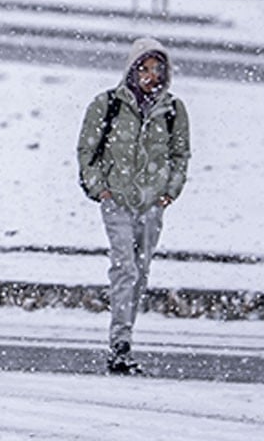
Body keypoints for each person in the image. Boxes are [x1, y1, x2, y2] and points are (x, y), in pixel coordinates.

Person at [76, 37, 191, 375]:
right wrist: (101, 190)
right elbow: (87, 150)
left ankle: (125, 339)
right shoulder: (107, 105)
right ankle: (119, 344)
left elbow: (180, 154)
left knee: (140, 272)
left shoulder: (172, 111)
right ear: (132, 68)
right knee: (125, 267)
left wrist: (169, 192)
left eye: (158, 68)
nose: (151, 75)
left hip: (152, 203)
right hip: (117, 200)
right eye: (145, 67)